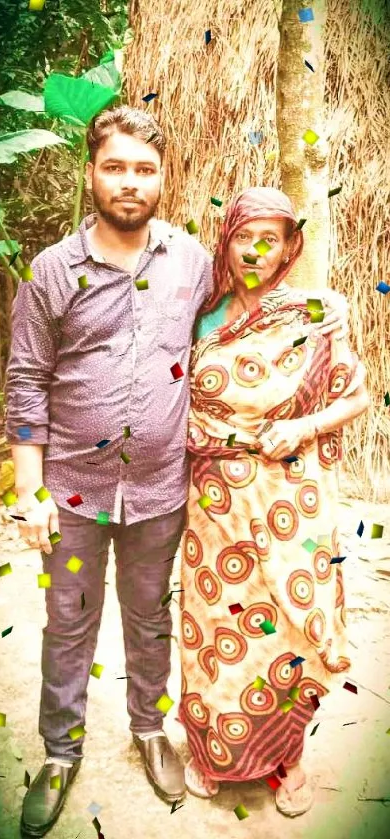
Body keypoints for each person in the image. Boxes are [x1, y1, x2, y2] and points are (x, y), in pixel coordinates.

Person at [4, 105, 349, 838]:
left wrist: (323, 313)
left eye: (144, 169)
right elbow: (28, 382)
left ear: (163, 178)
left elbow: (253, 308)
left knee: (151, 619)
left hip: (162, 489)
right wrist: (30, 490)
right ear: (91, 172)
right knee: (67, 622)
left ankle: (151, 732)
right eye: (115, 166)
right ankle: (60, 754)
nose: (129, 182)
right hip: (70, 489)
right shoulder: (51, 271)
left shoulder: (192, 263)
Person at [178, 186, 370, 817]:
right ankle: (212, 753)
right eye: (243, 236)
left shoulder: (316, 311)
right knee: (216, 628)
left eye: (271, 238)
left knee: (287, 626)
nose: (255, 250)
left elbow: (356, 397)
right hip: (213, 505)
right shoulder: (201, 315)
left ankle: (287, 760)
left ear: (291, 246)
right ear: (227, 240)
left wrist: (304, 427)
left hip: (290, 503)